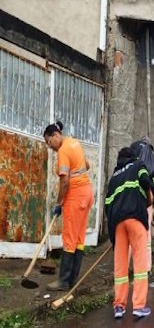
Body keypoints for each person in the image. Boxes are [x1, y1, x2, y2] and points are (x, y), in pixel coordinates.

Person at [43, 121, 94, 291]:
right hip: (87, 194)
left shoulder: (64, 150)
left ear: (55, 136)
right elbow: (87, 165)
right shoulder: (75, 143)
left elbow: (64, 182)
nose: (51, 148)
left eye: (50, 143)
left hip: (76, 195)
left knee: (69, 238)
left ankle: (63, 281)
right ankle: (72, 279)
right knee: (79, 238)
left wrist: (59, 203)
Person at [105, 147, 154, 319]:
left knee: (120, 266)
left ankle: (119, 306)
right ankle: (139, 306)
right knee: (140, 264)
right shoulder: (138, 165)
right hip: (135, 217)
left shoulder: (114, 177)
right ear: (132, 157)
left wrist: (112, 234)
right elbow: (146, 181)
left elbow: (107, 205)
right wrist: (148, 200)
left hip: (117, 223)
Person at [130, 136, 154, 270]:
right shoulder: (151, 155)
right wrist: (152, 203)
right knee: (146, 235)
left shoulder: (133, 149)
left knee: (130, 233)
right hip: (147, 200)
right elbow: (152, 182)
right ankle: (146, 267)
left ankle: (128, 266)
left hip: (132, 198)